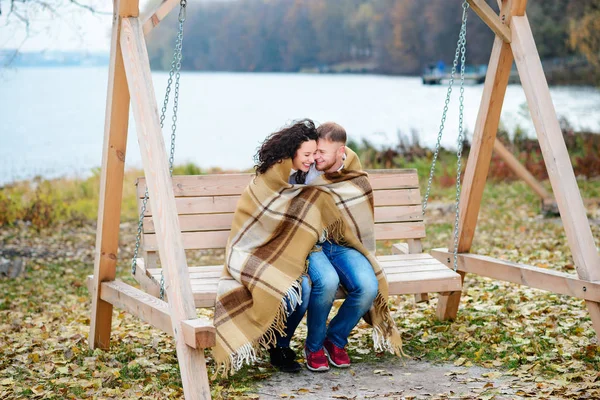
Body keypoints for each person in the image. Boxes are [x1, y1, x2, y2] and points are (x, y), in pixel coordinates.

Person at [294, 122, 380, 372]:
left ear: (341, 151)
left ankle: (335, 339)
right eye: (314, 151)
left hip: (343, 244)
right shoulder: (304, 170)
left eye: (322, 152)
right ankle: (314, 346)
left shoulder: (354, 174)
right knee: (327, 282)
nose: (316, 157)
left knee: (367, 287)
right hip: (313, 245)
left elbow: (360, 218)